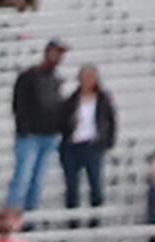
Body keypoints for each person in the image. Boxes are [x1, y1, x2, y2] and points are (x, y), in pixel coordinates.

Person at [7, 40, 68, 213]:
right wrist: (24, 128)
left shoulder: (55, 79)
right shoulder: (29, 76)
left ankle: (30, 214)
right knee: (23, 177)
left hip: (49, 135)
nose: (58, 58)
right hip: (30, 136)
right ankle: (12, 212)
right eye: (56, 53)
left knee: (38, 179)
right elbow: (18, 105)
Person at [58, 65, 118, 213]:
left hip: (93, 145)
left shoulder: (103, 100)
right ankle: (72, 218)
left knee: (95, 183)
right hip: (72, 146)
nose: (88, 81)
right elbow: (61, 122)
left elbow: (111, 121)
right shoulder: (72, 100)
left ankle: (95, 217)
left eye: (91, 78)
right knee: (71, 185)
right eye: (84, 78)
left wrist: (107, 142)